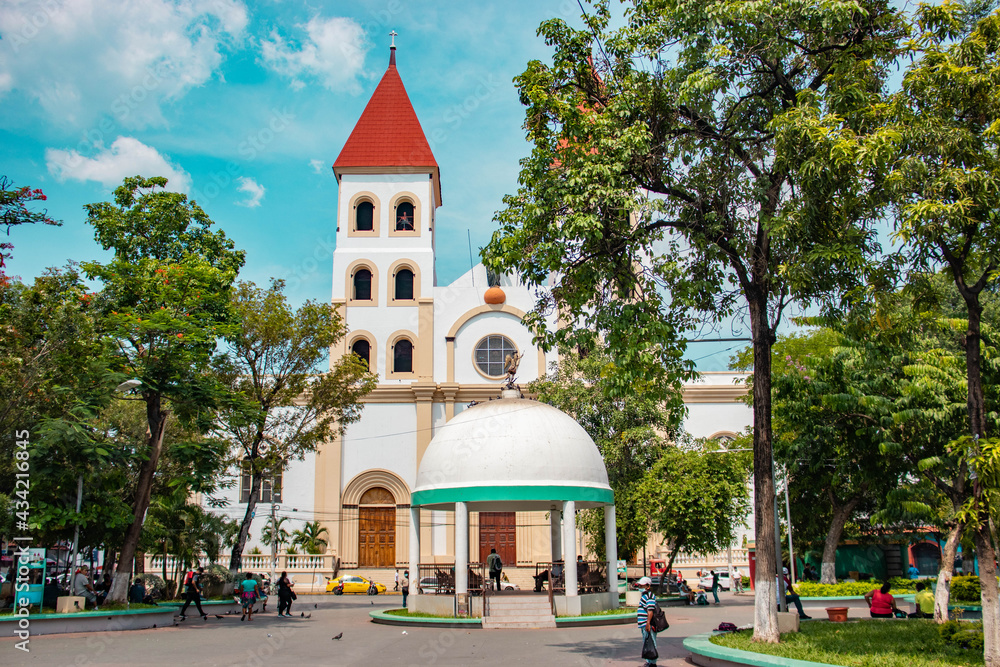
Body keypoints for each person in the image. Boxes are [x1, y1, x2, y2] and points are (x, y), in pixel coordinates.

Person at [636, 577, 658, 667]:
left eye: (642, 585)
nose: (640, 587)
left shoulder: (649, 596)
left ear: (648, 586)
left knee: (651, 642)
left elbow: (650, 611)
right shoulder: (644, 595)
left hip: (647, 624)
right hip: (643, 624)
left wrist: (648, 623)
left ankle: (652, 662)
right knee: (646, 642)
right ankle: (649, 661)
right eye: (639, 585)